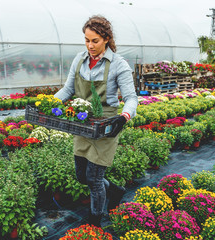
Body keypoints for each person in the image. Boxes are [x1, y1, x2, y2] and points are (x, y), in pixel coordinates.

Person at [54, 15, 138, 227]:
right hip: (83, 122)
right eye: (86, 40)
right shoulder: (79, 59)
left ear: (106, 39)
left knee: (94, 178)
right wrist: (47, 103)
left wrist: (124, 116)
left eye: (95, 41)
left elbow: (131, 98)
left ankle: (95, 221)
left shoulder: (118, 64)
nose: (90, 45)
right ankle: (116, 190)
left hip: (106, 126)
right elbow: (68, 89)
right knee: (81, 175)